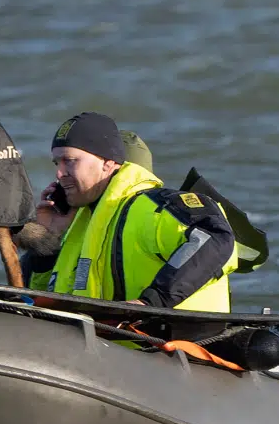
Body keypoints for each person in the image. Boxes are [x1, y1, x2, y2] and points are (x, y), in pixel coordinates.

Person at [25, 112, 238, 312]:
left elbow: (216, 238)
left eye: (70, 161)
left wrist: (151, 303)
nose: (59, 173)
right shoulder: (77, 222)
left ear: (108, 164)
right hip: (94, 345)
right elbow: (37, 302)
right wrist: (48, 241)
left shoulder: (156, 207)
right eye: (56, 163)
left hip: (165, 345)